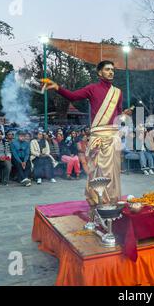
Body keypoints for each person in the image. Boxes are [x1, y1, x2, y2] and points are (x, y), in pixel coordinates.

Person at [43, 60, 133, 206]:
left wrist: (125, 115)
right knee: (99, 171)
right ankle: (98, 201)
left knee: (113, 172)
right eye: (107, 69)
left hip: (113, 136)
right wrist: (57, 87)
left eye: (112, 70)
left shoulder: (118, 92)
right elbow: (72, 96)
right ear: (100, 73)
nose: (111, 72)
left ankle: (112, 200)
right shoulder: (92, 88)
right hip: (98, 137)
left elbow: (117, 115)